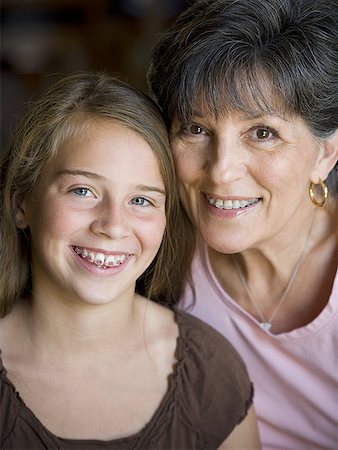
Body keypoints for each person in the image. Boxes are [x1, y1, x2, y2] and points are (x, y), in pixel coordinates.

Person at [0, 72, 260, 449]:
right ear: (22, 202)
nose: (113, 226)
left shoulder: (210, 373)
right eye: (83, 190)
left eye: (142, 200)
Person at [147, 0, 338, 449]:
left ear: (325, 154)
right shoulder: (151, 247)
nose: (221, 171)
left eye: (262, 133)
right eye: (195, 129)